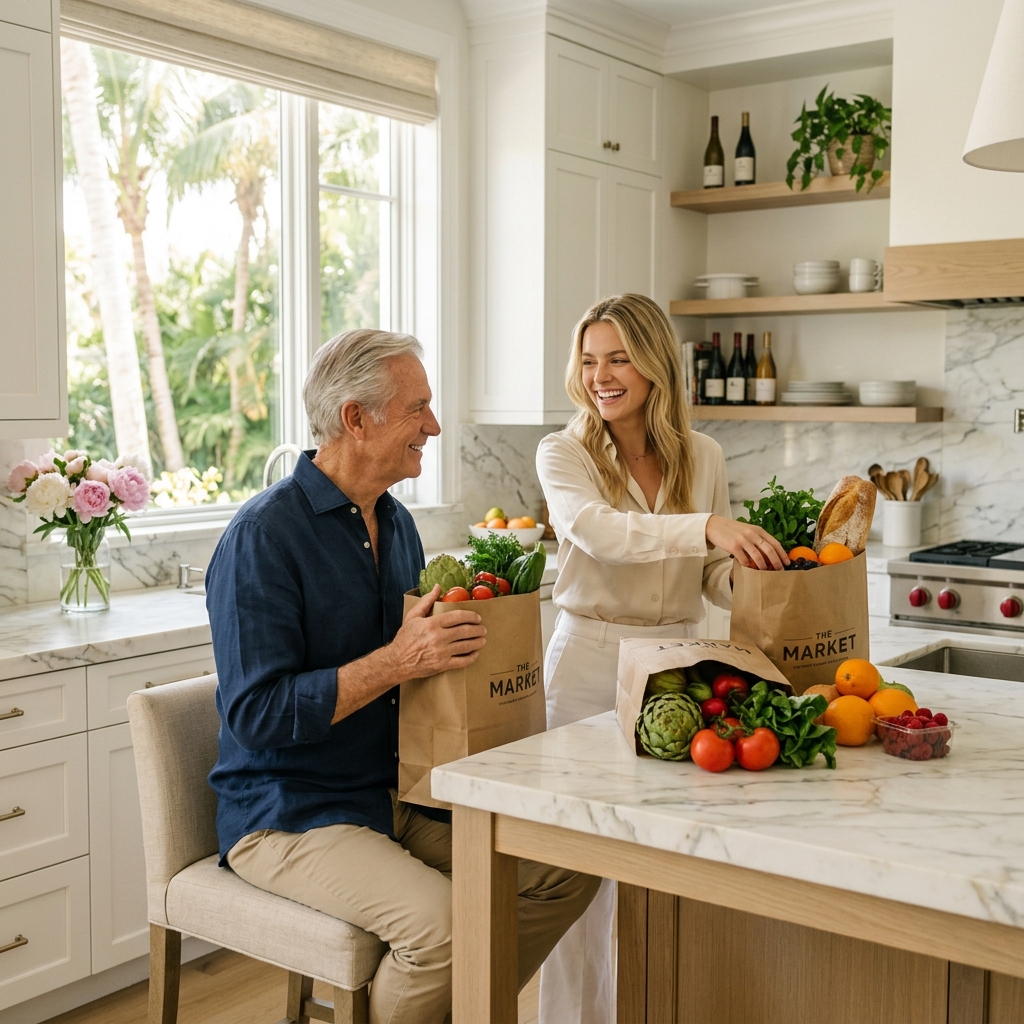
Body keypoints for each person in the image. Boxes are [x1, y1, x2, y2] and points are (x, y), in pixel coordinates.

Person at [206, 328, 600, 1024]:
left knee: (566, 867)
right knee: (444, 928)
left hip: (394, 792)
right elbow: (257, 714)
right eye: (418, 408)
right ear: (356, 419)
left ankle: (452, 1008)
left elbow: (415, 673)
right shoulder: (263, 536)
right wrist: (399, 660)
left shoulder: (396, 522)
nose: (435, 425)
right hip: (290, 813)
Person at [535, 294, 788, 1024]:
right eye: (588, 361)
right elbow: (601, 533)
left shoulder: (702, 455)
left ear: (654, 365)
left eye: (618, 358)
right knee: (573, 869)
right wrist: (709, 526)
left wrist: (761, 574)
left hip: (677, 660)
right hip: (586, 661)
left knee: (658, 863)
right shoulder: (565, 452)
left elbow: (710, 575)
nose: (601, 376)